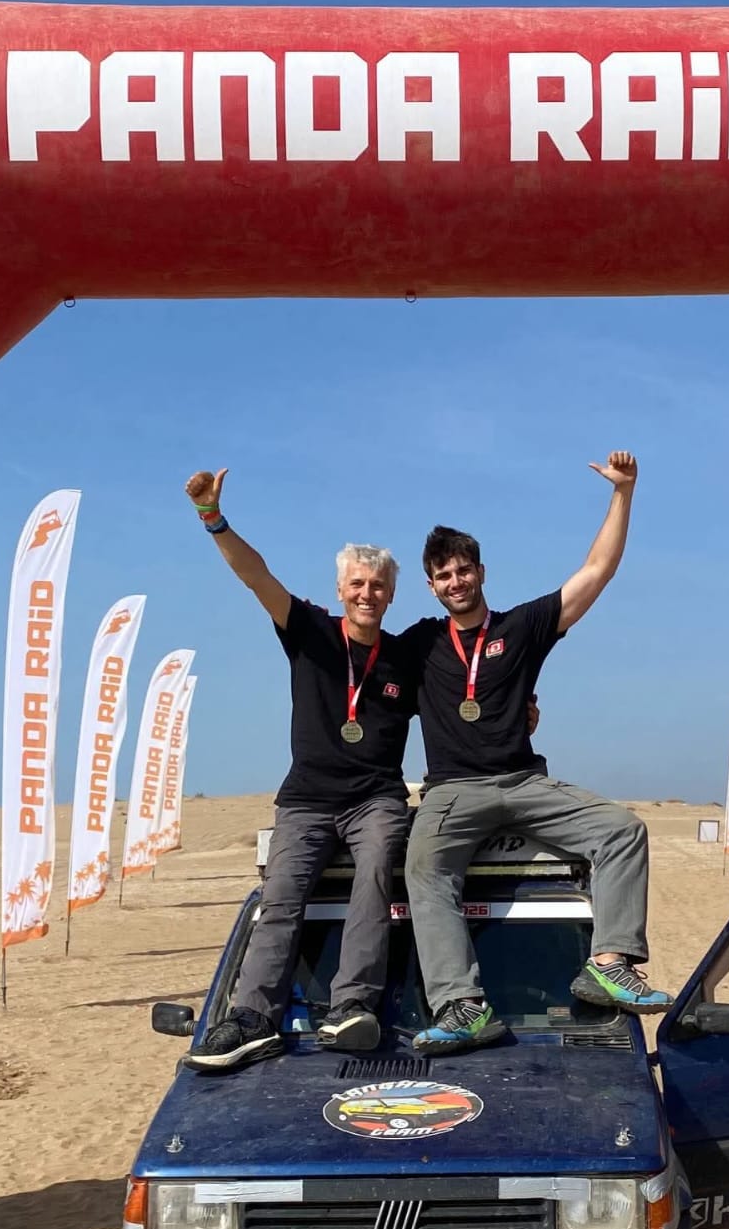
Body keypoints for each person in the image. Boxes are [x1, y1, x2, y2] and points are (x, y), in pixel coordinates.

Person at [402, 449, 673, 1051]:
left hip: (525, 784)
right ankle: (463, 1005)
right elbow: (356, 661)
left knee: (623, 830)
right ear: (431, 585)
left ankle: (608, 963)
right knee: (424, 866)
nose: (455, 582)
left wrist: (623, 492)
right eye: (444, 575)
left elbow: (596, 571)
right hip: (453, 791)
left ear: (481, 571)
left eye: (463, 570)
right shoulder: (418, 643)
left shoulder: (520, 628)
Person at [183, 466, 418, 1069]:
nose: (367, 593)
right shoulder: (310, 630)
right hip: (307, 800)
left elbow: (459, 700)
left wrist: (522, 710)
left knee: (374, 879)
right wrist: (213, 516)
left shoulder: (405, 658)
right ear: (340, 589)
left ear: (391, 595)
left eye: (378, 586)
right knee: (280, 899)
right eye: (357, 583)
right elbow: (255, 575)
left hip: (376, 799)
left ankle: (351, 1005)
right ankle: (251, 1018)